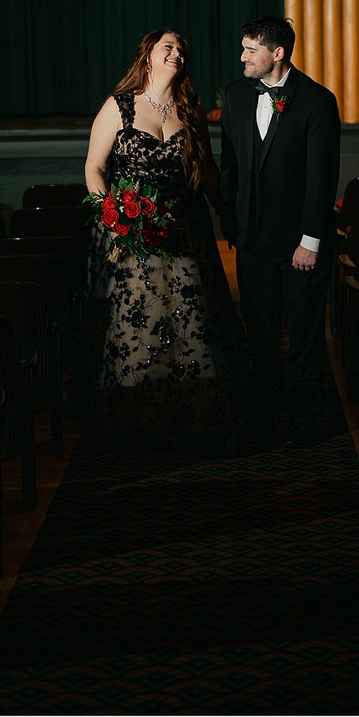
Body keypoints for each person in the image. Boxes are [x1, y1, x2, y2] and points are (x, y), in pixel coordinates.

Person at [83, 28, 247, 452]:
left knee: (191, 320)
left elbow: (208, 171)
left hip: (186, 229)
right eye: (167, 46)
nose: (177, 53)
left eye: (181, 49)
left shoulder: (189, 109)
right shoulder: (119, 106)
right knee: (139, 324)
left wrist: (226, 215)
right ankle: (138, 421)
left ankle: (192, 420)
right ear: (148, 56)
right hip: (134, 236)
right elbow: (94, 167)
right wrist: (112, 213)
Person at [220, 15, 341, 446]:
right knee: (261, 333)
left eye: (250, 49)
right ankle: (264, 414)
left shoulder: (317, 101)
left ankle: (305, 421)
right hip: (252, 239)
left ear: (278, 53)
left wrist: (310, 241)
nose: (242, 56)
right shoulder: (235, 96)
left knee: (305, 335)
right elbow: (230, 165)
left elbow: (321, 178)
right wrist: (232, 221)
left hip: (299, 244)